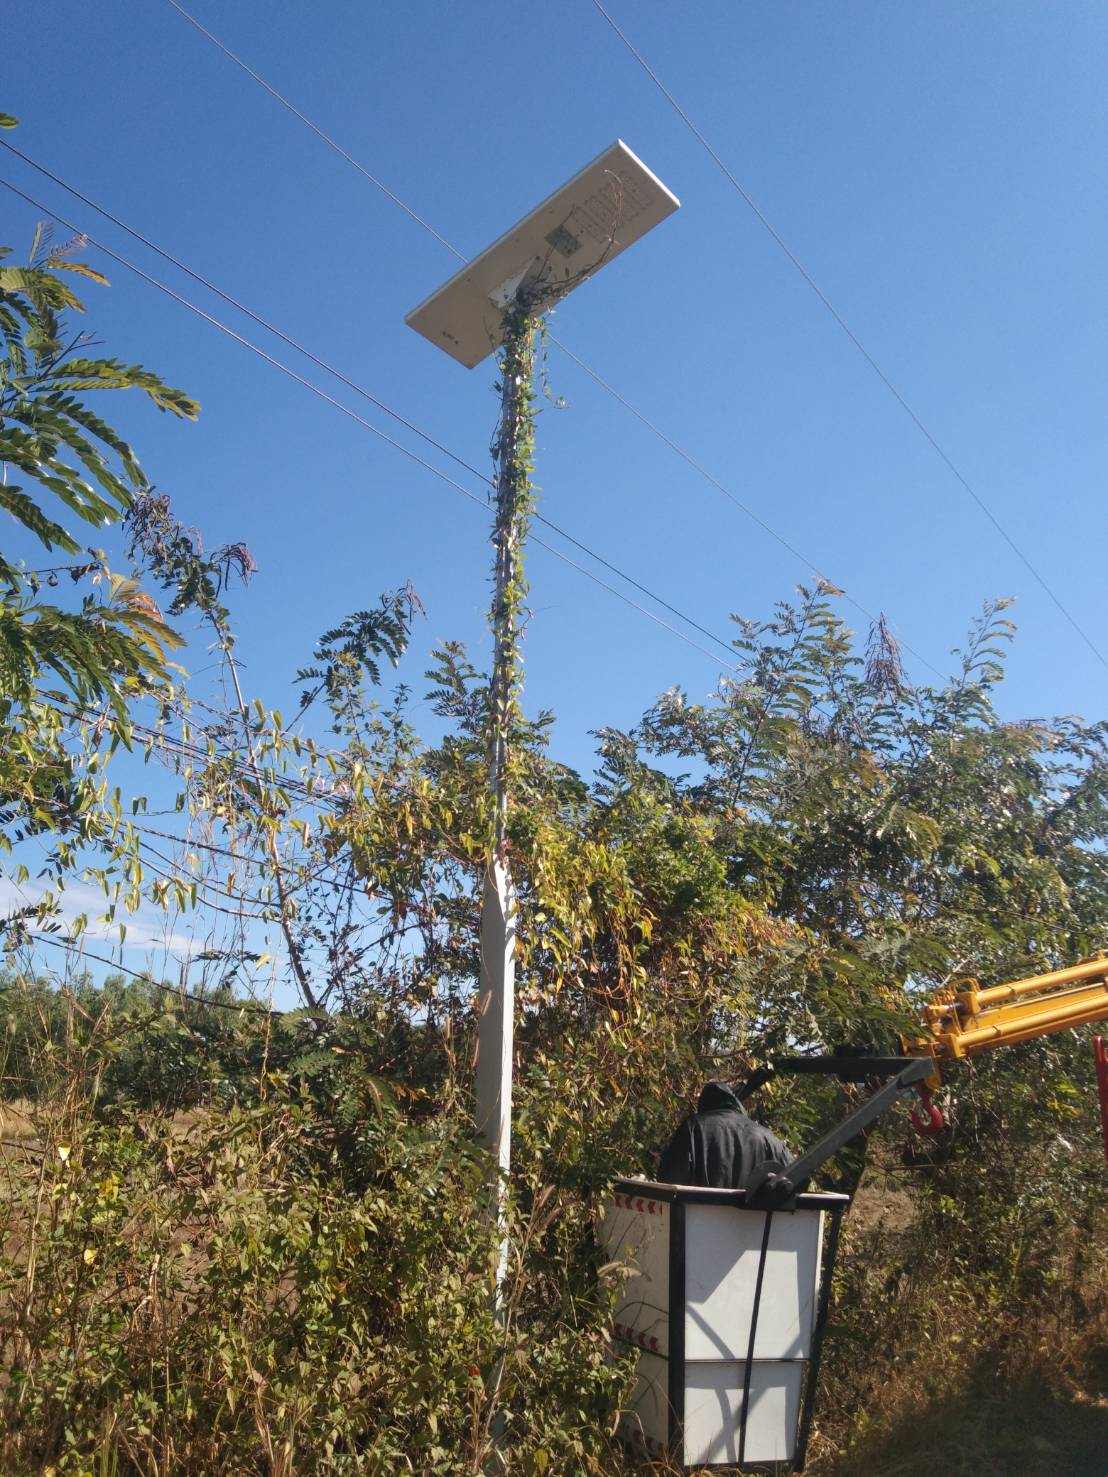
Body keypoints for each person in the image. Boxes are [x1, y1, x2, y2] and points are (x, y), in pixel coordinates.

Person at [657, 1079, 792, 1190]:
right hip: (756, 1215)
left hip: (701, 1212)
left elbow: (669, 1181)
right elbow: (794, 1180)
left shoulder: (692, 1129)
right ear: (736, 1103)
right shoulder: (768, 1137)